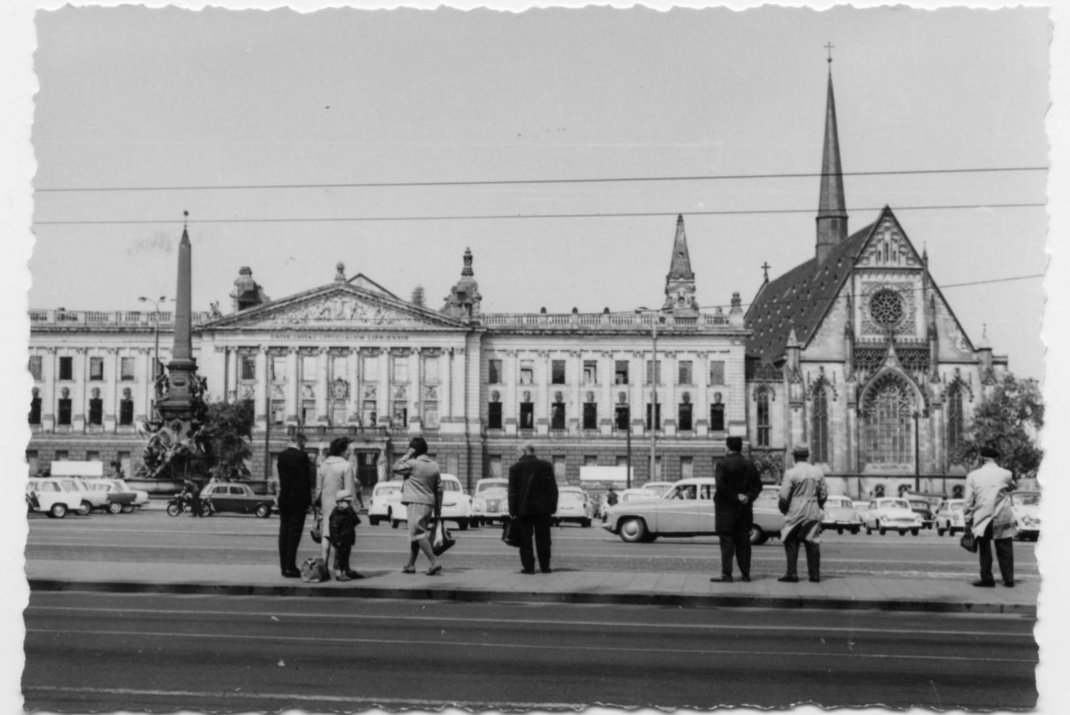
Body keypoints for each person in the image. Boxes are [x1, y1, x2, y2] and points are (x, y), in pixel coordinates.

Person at [963, 446, 1017, 587]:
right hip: (1002, 514)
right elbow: (1012, 487)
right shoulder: (1006, 474)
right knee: (1005, 547)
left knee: (984, 549)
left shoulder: (973, 476)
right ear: (996, 459)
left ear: (981, 459)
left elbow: (968, 501)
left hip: (982, 516)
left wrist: (967, 519)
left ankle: (987, 578)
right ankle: (1008, 579)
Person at [712, 436, 763, 583]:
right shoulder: (749, 464)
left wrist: (735, 497)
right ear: (741, 447)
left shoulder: (721, 464)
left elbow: (721, 487)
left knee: (726, 544)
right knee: (744, 544)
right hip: (744, 511)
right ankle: (745, 575)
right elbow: (758, 486)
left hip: (726, 511)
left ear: (727, 447)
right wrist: (747, 497)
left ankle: (727, 574)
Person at [777, 444, 828, 583]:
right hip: (813, 507)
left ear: (794, 456)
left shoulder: (791, 473)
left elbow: (783, 495)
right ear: (807, 456)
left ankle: (792, 573)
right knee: (812, 541)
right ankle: (814, 575)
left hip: (795, 508)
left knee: (791, 540)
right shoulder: (818, 472)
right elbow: (824, 494)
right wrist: (819, 505)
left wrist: (784, 509)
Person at [392, 436, 443, 575]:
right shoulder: (434, 465)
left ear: (413, 450)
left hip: (415, 502)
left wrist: (407, 455)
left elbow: (395, 468)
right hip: (429, 503)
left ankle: (434, 562)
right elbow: (439, 489)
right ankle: (411, 564)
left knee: (418, 534)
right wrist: (439, 507)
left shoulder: (412, 463)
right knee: (416, 533)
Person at [508, 442, 559, 574]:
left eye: (518, 452)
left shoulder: (515, 468)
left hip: (523, 510)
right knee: (544, 539)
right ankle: (545, 566)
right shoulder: (546, 466)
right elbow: (553, 489)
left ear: (525, 451)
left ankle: (529, 567)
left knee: (525, 539)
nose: (517, 455)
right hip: (543, 510)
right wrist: (552, 508)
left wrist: (512, 511)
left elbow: (512, 492)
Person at [315, 436, 357, 579]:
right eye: (348, 450)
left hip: (326, 505)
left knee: (327, 535)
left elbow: (318, 489)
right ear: (342, 450)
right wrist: (353, 507)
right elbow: (350, 491)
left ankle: (324, 568)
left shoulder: (323, 464)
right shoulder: (346, 465)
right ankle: (340, 571)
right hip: (342, 506)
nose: (350, 453)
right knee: (342, 539)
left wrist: (319, 506)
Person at [276, 432, 312, 578]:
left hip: (284, 498)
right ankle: (291, 566)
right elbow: (305, 481)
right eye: (304, 444)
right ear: (300, 442)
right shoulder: (302, 457)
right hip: (297, 500)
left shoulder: (281, 456)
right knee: (294, 534)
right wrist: (309, 501)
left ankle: (284, 567)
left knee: (283, 532)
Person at [328, 489, 362, 581]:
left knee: (346, 556)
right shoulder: (336, 514)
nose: (349, 504)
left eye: (349, 502)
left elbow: (356, 521)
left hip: (347, 539)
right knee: (339, 557)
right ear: (339, 502)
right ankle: (339, 573)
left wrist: (352, 512)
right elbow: (334, 529)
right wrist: (337, 540)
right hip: (340, 540)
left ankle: (347, 570)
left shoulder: (348, 512)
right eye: (347, 502)